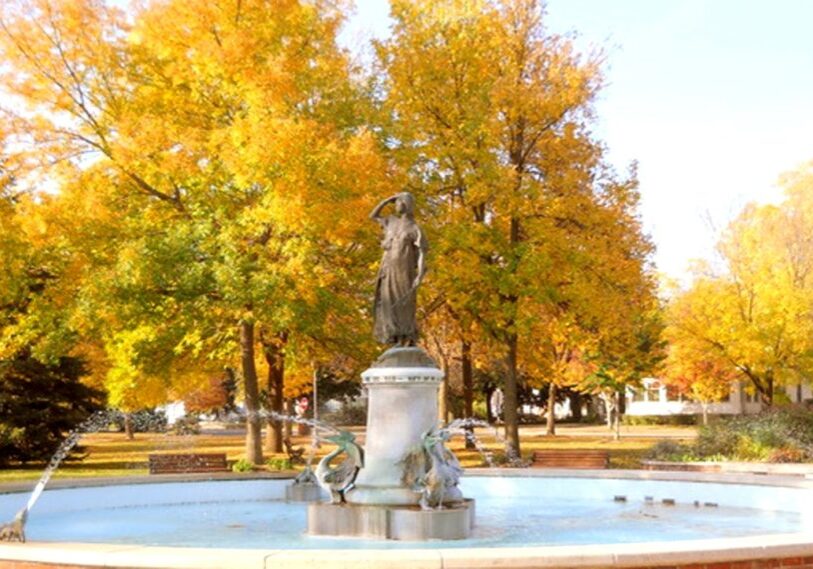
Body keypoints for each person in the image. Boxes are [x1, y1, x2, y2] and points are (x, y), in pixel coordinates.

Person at [369, 192, 427, 346]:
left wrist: (419, 274)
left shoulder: (415, 228)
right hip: (388, 269)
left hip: (405, 271)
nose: (395, 205)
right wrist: (386, 199)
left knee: (405, 304)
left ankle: (406, 337)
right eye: (395, 203)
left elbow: (422, 252)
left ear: (406, 204)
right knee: (388, 302)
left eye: (398, 202)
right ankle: (393, 337)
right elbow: (373, 216)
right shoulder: (390, 221)